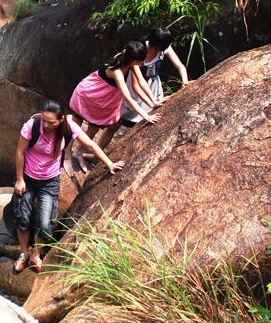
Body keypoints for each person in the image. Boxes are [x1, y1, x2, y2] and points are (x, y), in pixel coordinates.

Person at [13, 100, 123, 272]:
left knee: (45, 224)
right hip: (28, 178)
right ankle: (24, 253)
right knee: (23, 218)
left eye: (51, 122)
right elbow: (20, 152)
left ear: (61, 120)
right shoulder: (32, 126)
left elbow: (91, 144)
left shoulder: (69, 128)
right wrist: (20, 179)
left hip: (49, 182)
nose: (46, 125)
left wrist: (109, 164)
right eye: (44, 120)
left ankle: (36, 254)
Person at [67, 41, 161, 172]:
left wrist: (153, 103)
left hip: (102, 99)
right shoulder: (117, 70)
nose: (143, 62)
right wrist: (146, 116)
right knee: (76, 123)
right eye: (141, 60)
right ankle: (67, 155)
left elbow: (139, 84)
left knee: (93, 129)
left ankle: (79, 152)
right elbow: (127, 97)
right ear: (134, 61)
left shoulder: (130, 63)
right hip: (89, 93)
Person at [119, 27, 190, 128]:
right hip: (136, 86)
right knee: (129, 116)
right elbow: (138, 83)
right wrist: (153, 102)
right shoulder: (139, 50)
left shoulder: (164, 48)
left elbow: (180, 66)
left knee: (154, 114)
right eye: (156, 48)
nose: (156, 51)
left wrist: (185, 81)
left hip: (153, 83)